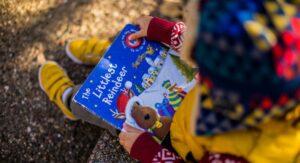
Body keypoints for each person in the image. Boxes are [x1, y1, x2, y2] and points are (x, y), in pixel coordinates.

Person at [39, 0, 300, 162]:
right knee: (141, 50)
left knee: (108, 111)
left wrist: (147, 151)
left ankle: (70, 101)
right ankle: (108, 54)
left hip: (173, 133)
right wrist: (164, 31)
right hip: (191, 94)